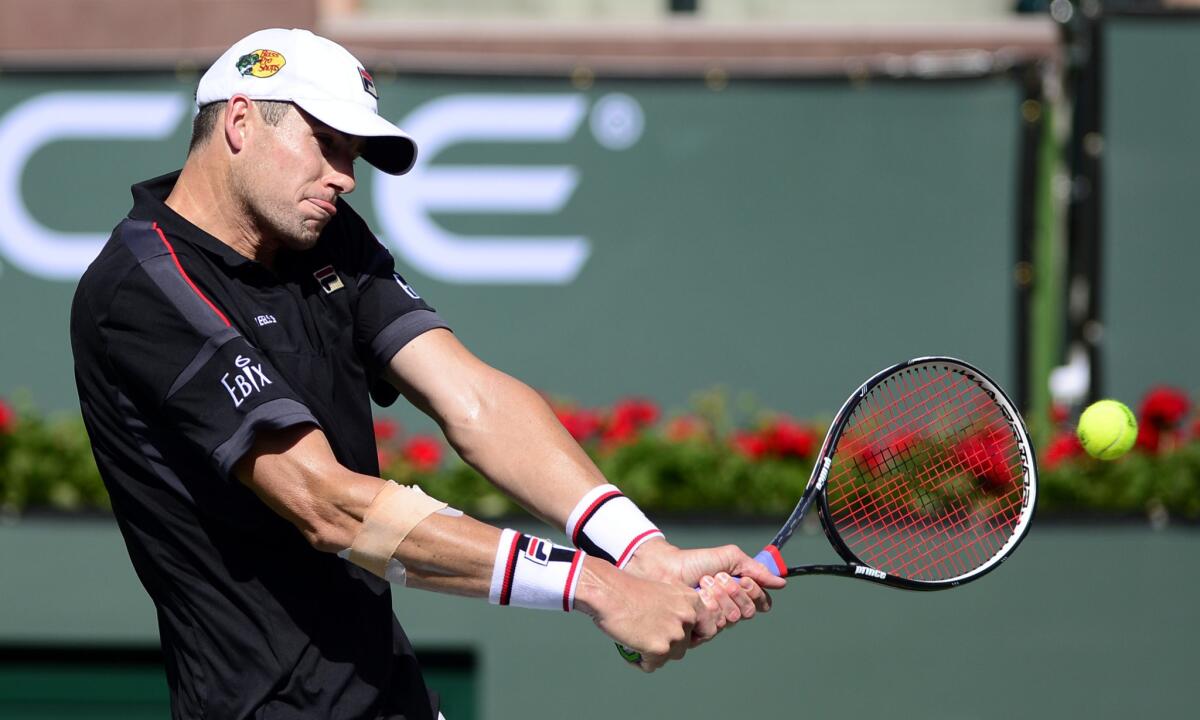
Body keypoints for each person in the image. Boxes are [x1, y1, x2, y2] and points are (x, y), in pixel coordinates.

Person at [70, 28, 785, 720]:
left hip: (391, 693)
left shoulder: (325, 234)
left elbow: (473, 399)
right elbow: (328, 504)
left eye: (352, 154)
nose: (344, 177)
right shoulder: (140, 289)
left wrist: (638, 550)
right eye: (326, 145)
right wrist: (594, 585)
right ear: (240, 121)